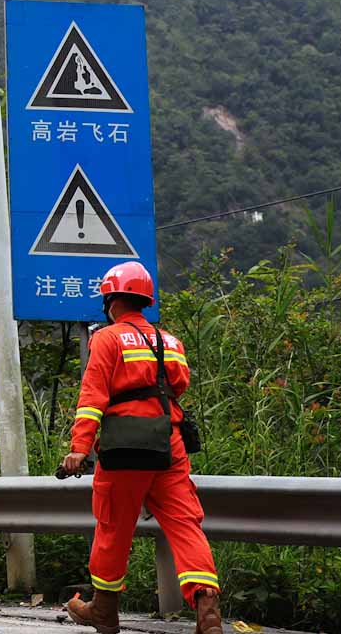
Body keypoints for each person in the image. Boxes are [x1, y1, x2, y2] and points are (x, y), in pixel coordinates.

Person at [62, 261, 222, 634]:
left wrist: (79, 448)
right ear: (144, 300)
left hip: (124, 449)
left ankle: (104, 611)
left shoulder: (105, 338)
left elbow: (92, 398)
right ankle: (207, 608)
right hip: (169, 444)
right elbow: (177, 388)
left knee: (113, 526)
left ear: (111, 300)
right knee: (185, 524)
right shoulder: (171, 342)